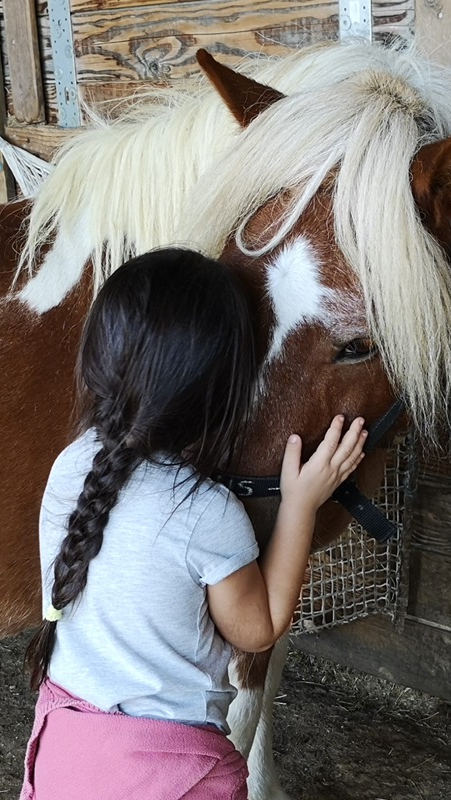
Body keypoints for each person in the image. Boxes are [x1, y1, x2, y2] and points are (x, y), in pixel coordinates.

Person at [21, 247, 366, 800]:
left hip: (64, 747)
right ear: (226, 391)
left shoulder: (71, 465)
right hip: (169, 775)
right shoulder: (206, 513)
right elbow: (256, 628)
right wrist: (301, 505)